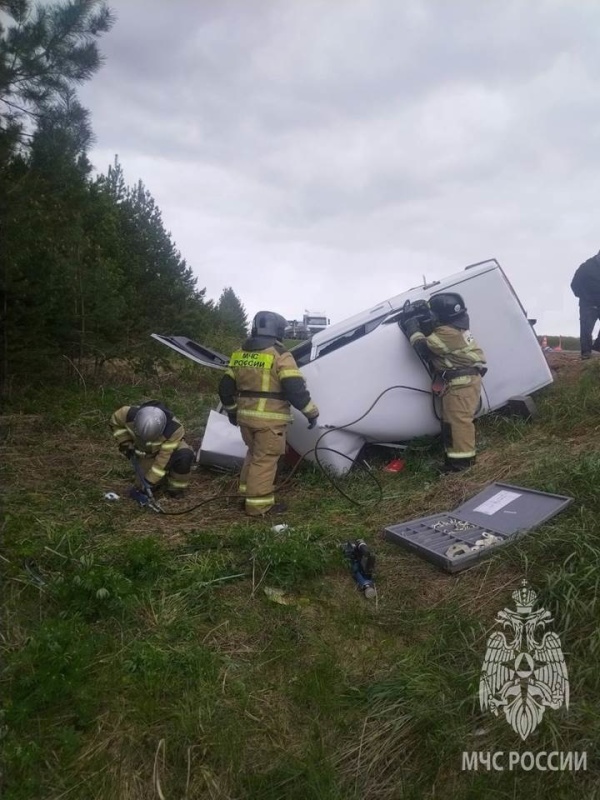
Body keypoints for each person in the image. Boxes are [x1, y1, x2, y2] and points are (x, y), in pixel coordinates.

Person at [218, 310, 320, 516]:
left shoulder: (239, 354)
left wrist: (231, 411)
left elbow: (225, 388)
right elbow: (294, 388)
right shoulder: (280, 354)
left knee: (253, 455)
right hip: (270, 421)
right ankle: (259, 506)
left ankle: (245, 496)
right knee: (265, 461)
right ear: (279, 330)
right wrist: (311, 412)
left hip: (245, 418)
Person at [400, 293, 487, 473]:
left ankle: (462, 466)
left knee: (458, 423)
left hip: (461, 384)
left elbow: (423, 347)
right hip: (461, 382)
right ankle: (453, 461)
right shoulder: (456, 325)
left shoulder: (447, 333)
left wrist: (412, 327)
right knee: (452, 424)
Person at [109, 401, 194, 498]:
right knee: (141, 486)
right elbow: (115, 423)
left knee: (184, 455)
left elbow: (163, 459)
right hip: (147, 453)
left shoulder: (174, 430)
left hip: (169, 450)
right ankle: (157, 480)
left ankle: (175, 489)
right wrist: (125, 442)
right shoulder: (126, 414)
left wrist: (150, 480)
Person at [570, 250, 600, 360]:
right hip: (588, 305)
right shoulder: (585, 267)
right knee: (586, 330)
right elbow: (574, 285)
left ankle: (597, 347)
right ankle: (586, 354)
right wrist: (585, 297)